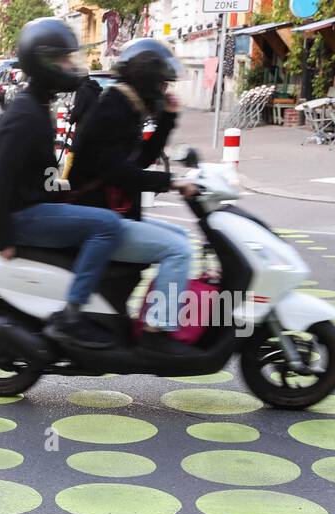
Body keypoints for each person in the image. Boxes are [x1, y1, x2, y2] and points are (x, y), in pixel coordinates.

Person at [0, 18, 125, 350]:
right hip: (24, 216)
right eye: (62, 59)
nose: (69, 66)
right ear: (43, 61)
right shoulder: (25, 115)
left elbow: (42, 174)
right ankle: (72, 315)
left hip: (33, 207)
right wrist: (4, 236)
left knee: (98, 216)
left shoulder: (38, 106)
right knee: (107, 226)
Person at [68, 38, 198, 357]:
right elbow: (120, 173)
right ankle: (157, 329)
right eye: (163, 85)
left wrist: (167, 119)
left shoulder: (124, 105)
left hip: (109, 215)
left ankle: (147, 315)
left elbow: (139, 160)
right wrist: (173, 182)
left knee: (180, 236)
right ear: (149, 83)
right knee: (178, 249)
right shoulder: (114, 110)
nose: (166, 91)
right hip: (99, 221)